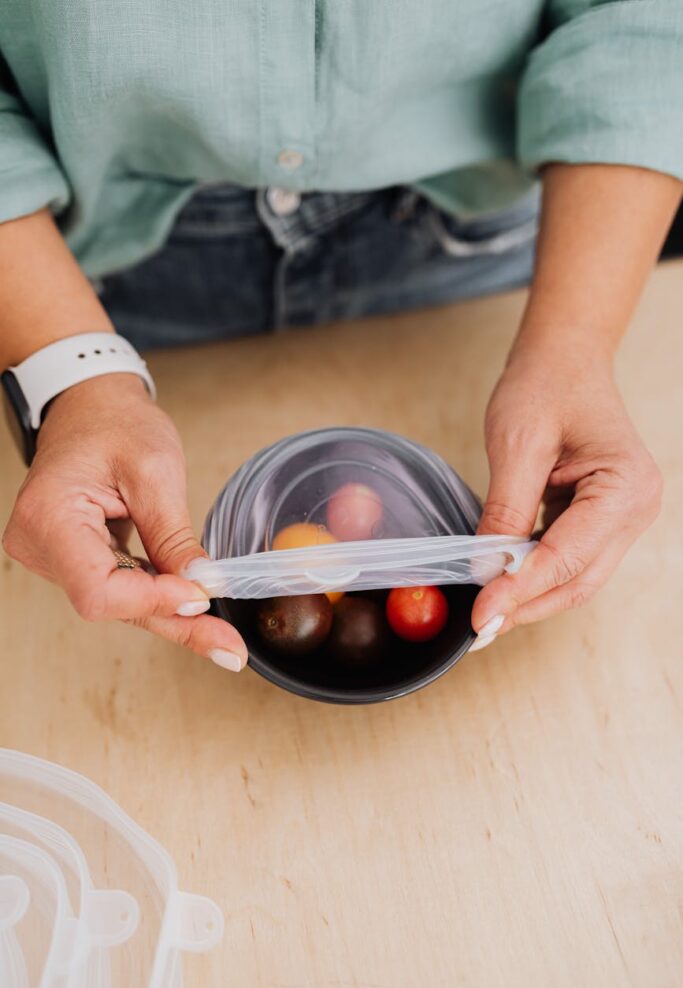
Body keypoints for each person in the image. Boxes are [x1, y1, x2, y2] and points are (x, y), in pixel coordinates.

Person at [1, 2, 681, 674]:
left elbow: (640, 20)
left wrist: (571, 346)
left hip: (496, 256)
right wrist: (75, 376)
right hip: (80, 277)